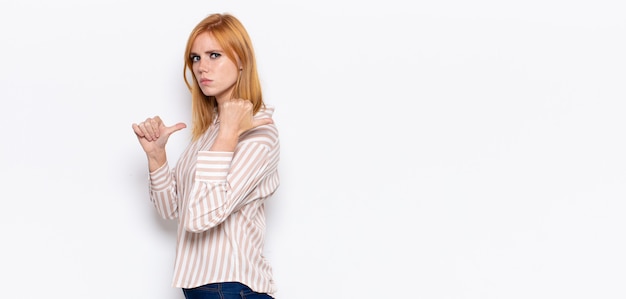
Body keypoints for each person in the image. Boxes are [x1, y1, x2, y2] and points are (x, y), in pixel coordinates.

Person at [132, 13, 279, 299]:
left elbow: (199, 218)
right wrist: (157, 158)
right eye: (196, 58)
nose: (202, 67)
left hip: (233, 287)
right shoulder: (210, 131)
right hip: (204, 287)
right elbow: (173, 211)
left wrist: (228, 134)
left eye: (214, 55)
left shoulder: (260, 135)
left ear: (241, 61)